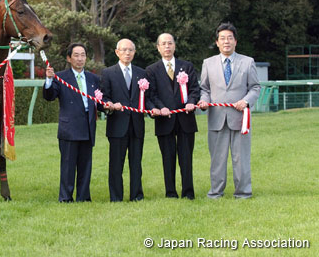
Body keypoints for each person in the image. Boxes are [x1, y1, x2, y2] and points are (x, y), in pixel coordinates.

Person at [197, 22, 261, 199]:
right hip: (216, 119)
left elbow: (255, 87)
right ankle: (216, 192)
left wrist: (246, 101)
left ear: (235, 42)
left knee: (241, 159)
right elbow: (205, 89)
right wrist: (204, 101)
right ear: (217, 42)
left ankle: (243, 192)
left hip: (240, 120)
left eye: (230, 38)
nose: (226, 42)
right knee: (217, 160)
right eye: (222, 38)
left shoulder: (248, 62)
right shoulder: (208, 63)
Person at [43, 43, 104, 202]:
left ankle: (83, 197)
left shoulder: (93, 78)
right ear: (69, 58)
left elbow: (100, 102)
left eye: (83, 55)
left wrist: (111, 106)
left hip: (88, 126)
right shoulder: (61, 77)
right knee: (68, 166)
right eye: (76, 55)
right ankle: (65, 197)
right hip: (69, 128)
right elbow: (49, 96)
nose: (80, 58)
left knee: (85, 165)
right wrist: (49, 80)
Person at [100, 38, 155, 202]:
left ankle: (137, 195)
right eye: (124, 50)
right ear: (117, 52)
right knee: (116, 164)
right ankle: (116, 197)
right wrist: (109, 105)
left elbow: (147, 98)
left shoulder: (142, 73)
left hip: (137, 125)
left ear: (134, 52)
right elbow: (103, 99)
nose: (127, 53)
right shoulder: (108, 73)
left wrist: (153, 109)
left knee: (136, 163)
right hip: (117, 125)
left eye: (130, 50)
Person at [146, 33, 200, 199]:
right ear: (158, 47)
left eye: (170, 43)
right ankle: (170, 192)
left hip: (185, 119)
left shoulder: (187, 66)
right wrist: (161, 108)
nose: (167, 47)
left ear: (174, 46)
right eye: (163, 44)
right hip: (164, 120)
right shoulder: (152, 70)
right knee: (167, 158)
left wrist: (192, 102)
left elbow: (194, 89)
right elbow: (151, 95)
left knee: (186, 158)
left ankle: (188, 192)